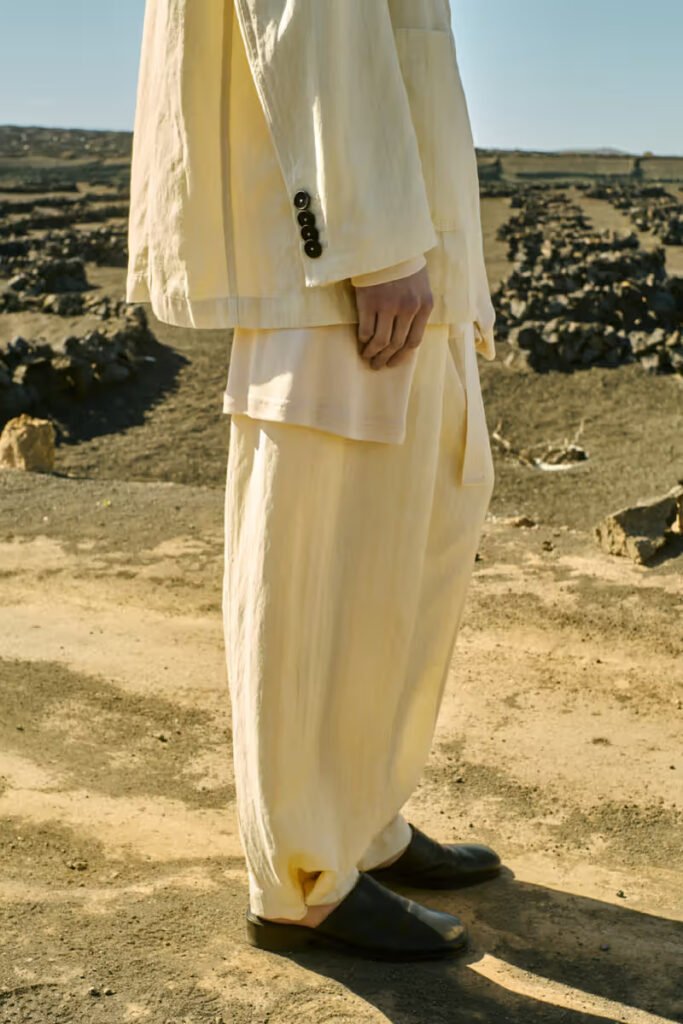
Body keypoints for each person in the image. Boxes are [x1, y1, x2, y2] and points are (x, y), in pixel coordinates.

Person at [126, 0, 501, 961]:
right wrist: (368, 236)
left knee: (403, 564)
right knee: (318, 582)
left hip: (407, 245)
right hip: (343, 265)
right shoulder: (362, 246)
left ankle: (360, 824)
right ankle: (300, 880)